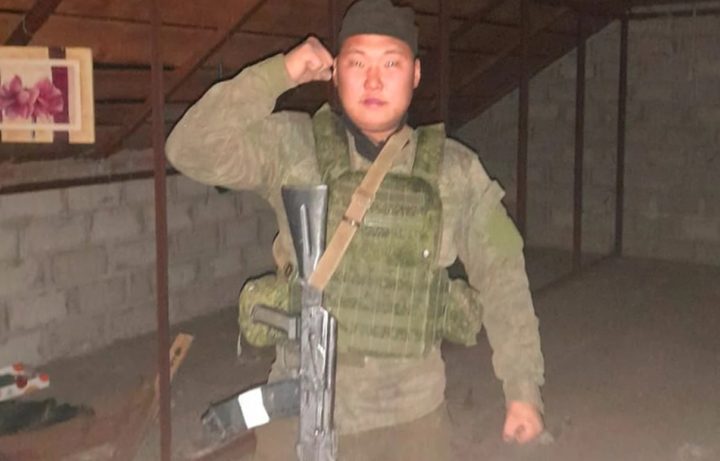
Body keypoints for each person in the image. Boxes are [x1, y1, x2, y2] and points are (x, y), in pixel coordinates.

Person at [166, 0, 545, 458]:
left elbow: (504, 275)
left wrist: (523, 389)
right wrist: (281, 72)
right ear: (335, 72)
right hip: (299, 407)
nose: (373, 80)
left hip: (411, 420)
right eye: (357, 63)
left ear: (416, 73)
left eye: (391, 63)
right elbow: (188, 148)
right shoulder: (292, 146)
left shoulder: (458, 171)